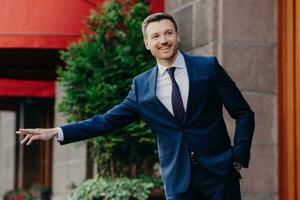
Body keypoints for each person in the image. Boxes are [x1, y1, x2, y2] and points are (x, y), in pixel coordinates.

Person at [17, 12, 255, 200]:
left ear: (177, 36)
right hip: (178, 181)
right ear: (146, 43)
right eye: (156, 36)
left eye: (168, 33)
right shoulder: (142, 87)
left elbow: (243, 112)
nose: (163, 40)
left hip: (219, 174)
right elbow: (106, 121)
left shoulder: (207, 68)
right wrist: (57, 132)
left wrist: (237, 156)